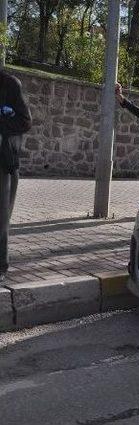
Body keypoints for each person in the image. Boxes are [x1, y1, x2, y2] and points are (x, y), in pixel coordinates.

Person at [0, 70, 32, 282]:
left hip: (2, 162)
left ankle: (1, 265)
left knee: (0, 218)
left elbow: (25, 121)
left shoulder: (9, 84)